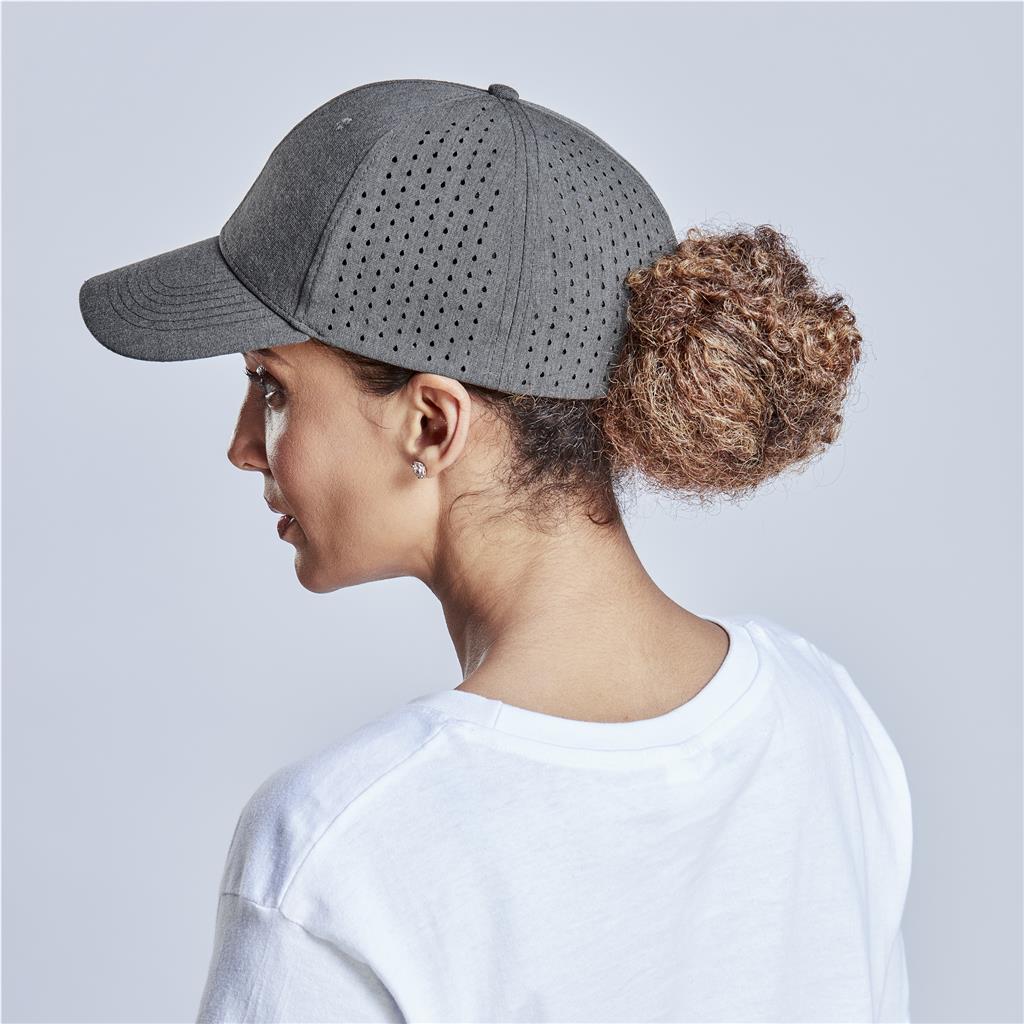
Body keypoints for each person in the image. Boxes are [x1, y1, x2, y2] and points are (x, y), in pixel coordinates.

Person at [79, 79, 912, 1023]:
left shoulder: (339, 850)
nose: (242, 445)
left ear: (432, 423)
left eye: (271, 386)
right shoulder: (824, 719)